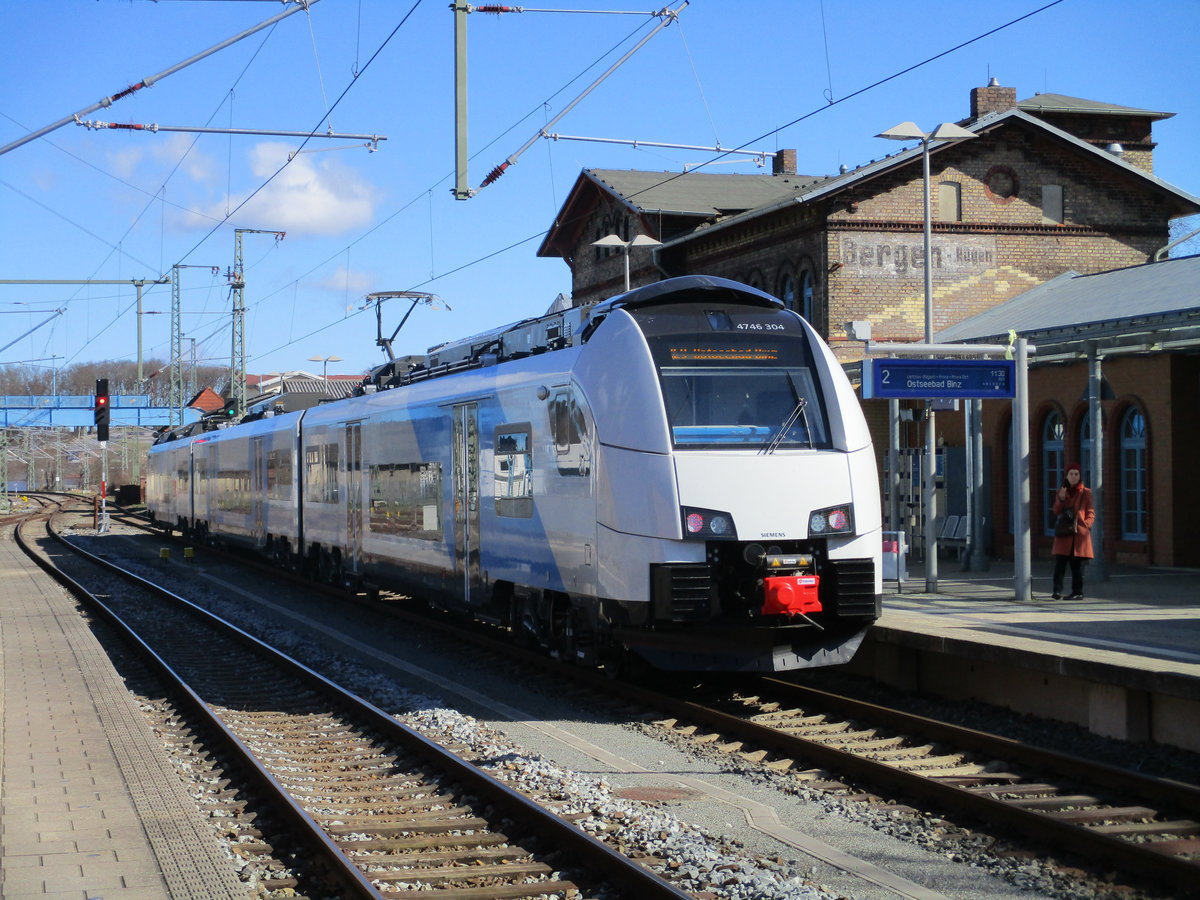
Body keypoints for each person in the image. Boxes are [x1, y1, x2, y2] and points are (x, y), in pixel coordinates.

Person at [1050, 462, 1096, 599]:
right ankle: (1056, 591)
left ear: (1080, 476)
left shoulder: (1086, 492)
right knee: (1060, 564)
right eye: (1071, 474)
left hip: (1078, 534)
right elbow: (1056, 511)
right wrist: (1061, 499)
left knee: (1076, 566)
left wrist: (1087, 524)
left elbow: (1091, 511)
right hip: (1064, 533)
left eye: (1076, 474)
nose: (1074, 476)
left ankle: (1078, 592)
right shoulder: (1061, 492)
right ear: (1067, 476)